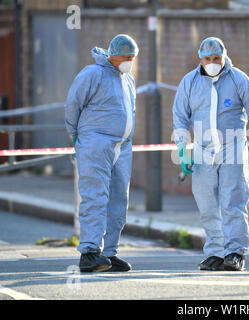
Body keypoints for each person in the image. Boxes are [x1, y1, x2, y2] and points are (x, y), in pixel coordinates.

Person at [172, 37, 249, 271]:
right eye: (208, 59)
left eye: (217, 58)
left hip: (232, 148)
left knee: (233, 201)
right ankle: (215, 252)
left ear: (224, 56)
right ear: (201, 59)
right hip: (203, 150)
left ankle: (235, 252)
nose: (213, 62)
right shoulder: (189, 82)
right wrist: (181, 149)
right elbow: (180, 117)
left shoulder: (238, 79)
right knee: (207, 204)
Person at [65, 34, 138, 272]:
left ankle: (109, 252)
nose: (130, 60)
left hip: (122, 146)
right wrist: (76, 135)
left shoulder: (128, 79)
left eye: (133, 57)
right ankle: (89, 252)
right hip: (96, 142)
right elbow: (73, 104)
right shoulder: (92, 74)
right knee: (95, 196)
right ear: (113, 54)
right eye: (126, 56)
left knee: (119, 199)